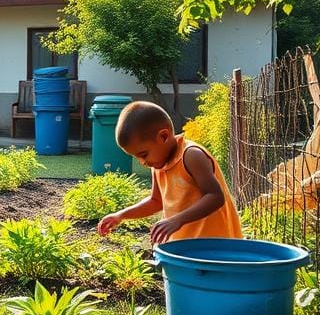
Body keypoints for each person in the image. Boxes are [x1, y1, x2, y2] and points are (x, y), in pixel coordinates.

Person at [98, 101, 242, 244]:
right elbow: (156, 201)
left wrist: (176, 220)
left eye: (143, 154)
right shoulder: (159, 165)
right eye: (137, 157)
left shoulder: (191, 156)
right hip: (183, 247)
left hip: (214, 245)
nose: (143, 162)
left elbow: (215, 197)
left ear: (164, 136)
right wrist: (121, 215)